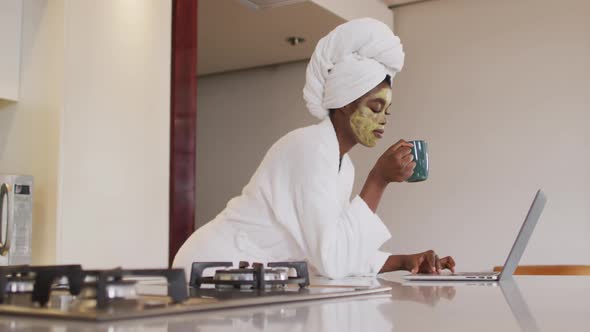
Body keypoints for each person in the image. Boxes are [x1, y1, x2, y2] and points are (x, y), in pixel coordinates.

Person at [173, 18, 455, 279]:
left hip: (246, 274)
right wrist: (379, 180)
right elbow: (332, 260)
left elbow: (335, 246)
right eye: (375, 107)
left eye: (387, 111)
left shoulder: (341, 164)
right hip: (211, 267)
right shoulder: (308, 148)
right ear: (345, 102)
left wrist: (405, 261)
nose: (383, 119)